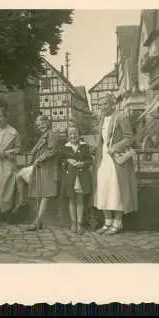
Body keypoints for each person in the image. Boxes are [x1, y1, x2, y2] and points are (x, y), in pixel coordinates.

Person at [92, 93, 138, 234]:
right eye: (100, 105)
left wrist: (115, 147)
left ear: (112, 104)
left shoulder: (120, 117)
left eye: (105, 104)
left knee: (116, 189)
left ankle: (118, 223)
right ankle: (107, 222)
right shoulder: (102, 119)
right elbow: (101, 140)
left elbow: (129, 138)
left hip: (116, 159)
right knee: (103, 188)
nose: (103, 107)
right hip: (103, 159)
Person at [15, 115, 60, 231]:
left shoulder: (52, 134)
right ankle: (23, 202)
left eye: (42, 123)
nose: (40, 126)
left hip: (48, 168)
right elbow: (34, 150)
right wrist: (31, 160)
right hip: (40, 167)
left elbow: (53, 150)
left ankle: (38, 220)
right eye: (38, 125)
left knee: (45, 194)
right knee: (19, 176)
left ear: (48, 122)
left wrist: (39, 158)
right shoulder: (44, 136)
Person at [60, 125, 95, 235]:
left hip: (82, 176)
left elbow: (90, 160)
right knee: (71, 200)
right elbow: (61, 161)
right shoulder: (65, 147)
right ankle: (73, 222)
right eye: (70, 134)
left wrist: (82, 163)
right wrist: (68, 161)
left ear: (79, 135)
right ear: (68, 136)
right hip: (70, 176)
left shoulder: (84, 147)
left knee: (80, 200)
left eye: (75, 133)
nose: (73, 136)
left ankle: (80, 223)